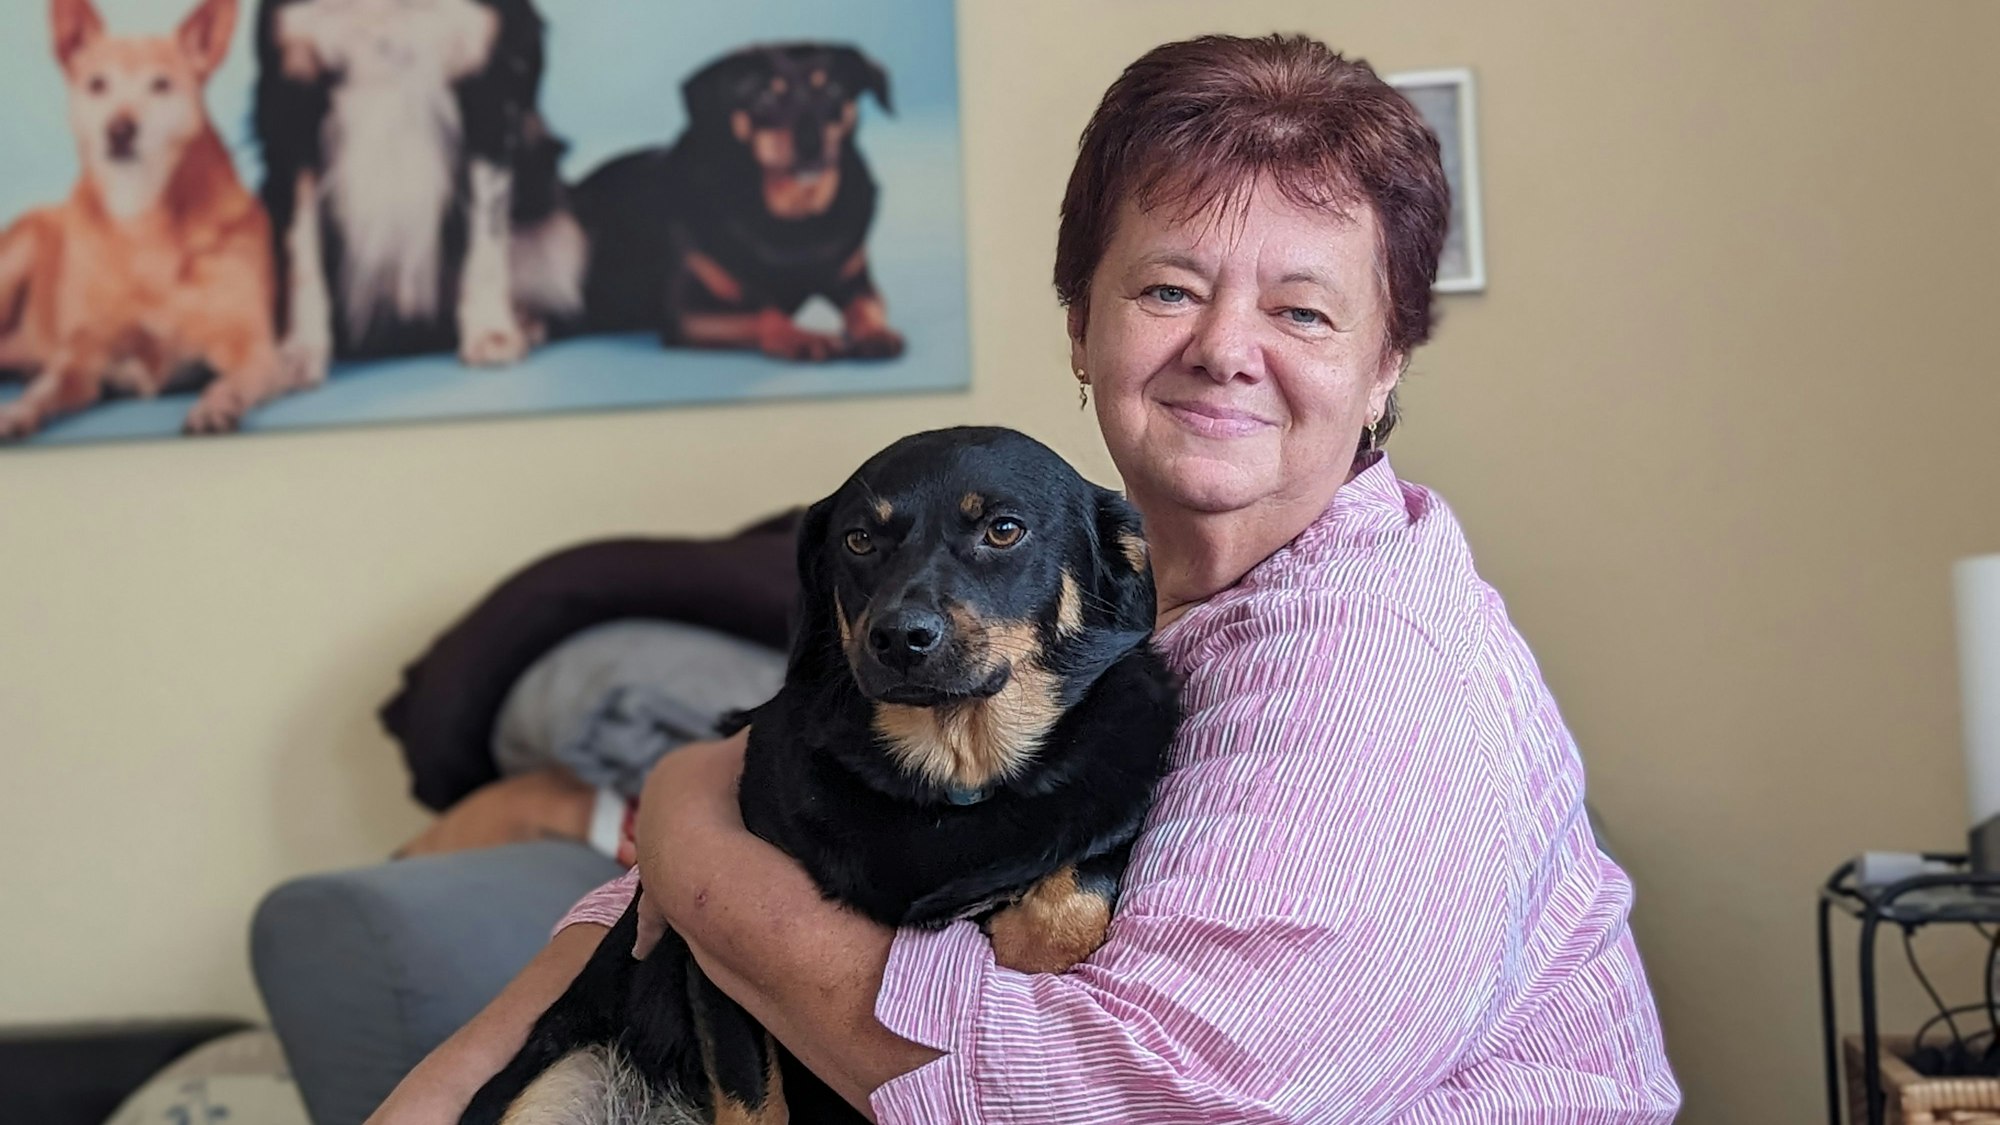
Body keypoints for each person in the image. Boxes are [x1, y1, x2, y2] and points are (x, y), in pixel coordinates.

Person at [368, 33, 1682, 1123]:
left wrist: (694, 842)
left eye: (1302, 308)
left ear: (1386, 361)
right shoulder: (1115, 599)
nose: (1226, 348)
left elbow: (1117, 1104)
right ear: (1082, 323)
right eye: (1171, 287)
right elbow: (689, 896)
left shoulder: (1386, 677)